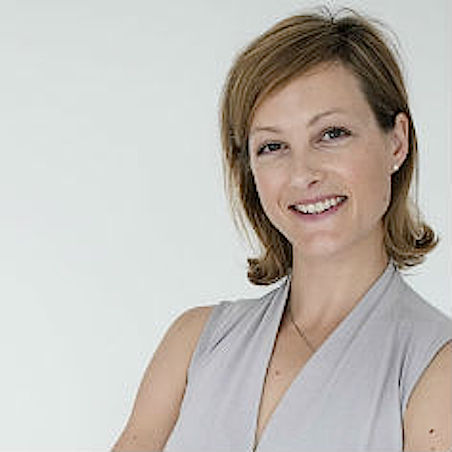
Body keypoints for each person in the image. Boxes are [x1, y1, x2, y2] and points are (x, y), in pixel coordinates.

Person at [111, 7, 452, 452]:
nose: (302, 173)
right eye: (273, 146)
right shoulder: (193, 343)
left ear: (397, 141)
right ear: (250, 171)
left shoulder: (436, 367)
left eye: (332, 133)